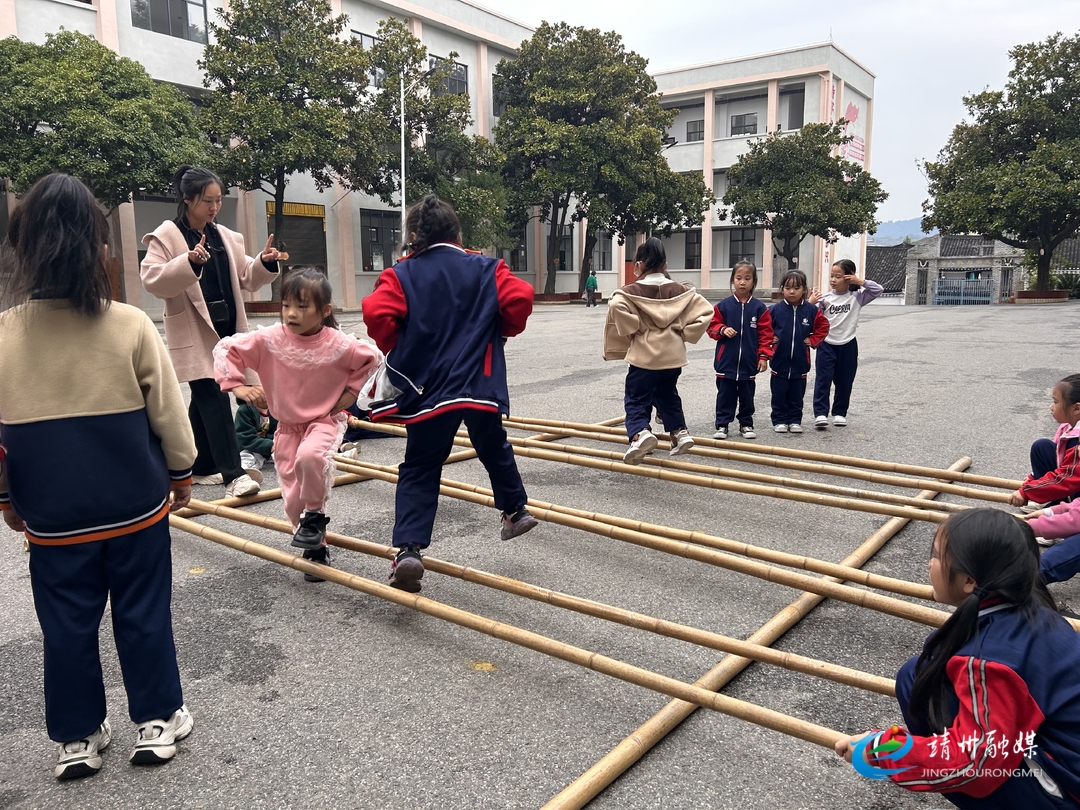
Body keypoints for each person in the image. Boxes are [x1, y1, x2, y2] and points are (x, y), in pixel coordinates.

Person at [0, 174, 197, 779]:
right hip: (135, 506)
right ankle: (157, 721)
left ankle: (77, 738)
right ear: (98, 247)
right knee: (142, 610)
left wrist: (6, 498)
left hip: (52, 517)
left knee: (64, 624)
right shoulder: (129, 324)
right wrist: (182, 472)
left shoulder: (3, 335)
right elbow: (168, 414)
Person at [835, 509, 1080, 808]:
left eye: (936, 555)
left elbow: (976, 766)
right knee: (918, 675)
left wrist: (881, 751)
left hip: (1068, 787)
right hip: (1061, 750)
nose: (930, 563)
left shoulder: (990, 661)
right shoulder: (1035, 609)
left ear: (968, 581)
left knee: (968, 764)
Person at [362, 194, 537, 594]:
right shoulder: (487, 267)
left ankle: (408, 549)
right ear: (458, 235)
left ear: (412, 236)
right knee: (493, 444)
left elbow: (376, 315)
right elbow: (520, 299)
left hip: (429, 388)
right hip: (479, 382)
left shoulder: (401, 274)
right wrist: (501, 329)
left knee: (421, 465)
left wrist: (398, 344)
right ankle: (514, 509)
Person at [214, 266, 381, 583]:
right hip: (287, 426)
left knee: (311, 458)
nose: (291, 313)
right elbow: (227, 349)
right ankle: (315, 544)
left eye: (302, 306)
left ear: (324, 310)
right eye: (286, 305)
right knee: (291, 499)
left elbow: (371, 357)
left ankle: (316, 516)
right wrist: (239, 387)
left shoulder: (337, 343)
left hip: (324, 420)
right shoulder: (271, 339)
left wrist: (351, 393)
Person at [141, 165, 283, 498]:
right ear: (187, 198)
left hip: (228, 330)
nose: (214, 207)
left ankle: (201, 466)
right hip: (194, 331)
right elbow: (152, 278)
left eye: (218, 200)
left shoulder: (226, 237)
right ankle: (234, 475)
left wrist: (265, 261)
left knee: (203, 402)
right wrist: (188, 263)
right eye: (207, 200)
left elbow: (248, 276)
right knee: (213, 395)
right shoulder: (167, 236)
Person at [604, 237, 712, 464]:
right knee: (667, 395)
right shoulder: (681, 291)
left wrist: (633, 328)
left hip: (644, 357)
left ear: (639, 265)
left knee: (636, 398)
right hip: (672, 357)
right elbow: (706, 311)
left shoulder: (631, 291)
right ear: (665, 265)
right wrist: (685, 333)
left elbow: (615, 304)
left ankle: (639, 433)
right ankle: (679, 433)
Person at [812, 259, 882, 429]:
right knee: (823, 379)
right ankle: (820, 413)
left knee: (845, 381)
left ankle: (839, 413)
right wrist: (812, 303)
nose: (833, 280)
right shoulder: (825, 299)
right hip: (826, 344)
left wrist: (861, 282)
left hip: (848, 344)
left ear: (849, 277)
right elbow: (811, 317)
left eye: (838, 276)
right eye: (831, 276)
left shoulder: (857, 297)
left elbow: (878, 289)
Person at [707, 260, 774, 440]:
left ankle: (746, 424)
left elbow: (766, 335)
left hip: (748, 363)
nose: (742, 282)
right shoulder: (723, 306)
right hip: (725, 363)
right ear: (732, 280)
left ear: (754, 281)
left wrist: (763, 357)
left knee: (747, 396)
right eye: (738, 278)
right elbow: (711, 327)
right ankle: (722, 424)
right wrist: (722, 329)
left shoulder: (760, 308)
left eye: (747, 278)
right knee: (725, 396)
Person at [767, 270, 828, 434]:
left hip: (801, 364)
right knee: (778, 395)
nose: (792, 291)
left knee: (796, 395)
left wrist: (813, 340)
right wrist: (769, 338)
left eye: (796, 288)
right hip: (778, 363)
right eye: (788, 287)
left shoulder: (811, 310)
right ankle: (779, 420)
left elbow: (823, 327)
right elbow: (764, 328)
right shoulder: (774, 310)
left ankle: (794, 420)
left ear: (804, 290)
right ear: (782, 289)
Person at [1008, 375, 1080, 510]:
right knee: (1042, 447)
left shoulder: (1078, 445)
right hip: (1071, 478)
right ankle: (1046, 495)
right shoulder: (1069, 427)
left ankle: (1058, 503)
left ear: (1076, 408)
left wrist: (1027, 492)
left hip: (1074, 488)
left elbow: (1066, 478)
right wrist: (1035, 481)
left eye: (1056, 402)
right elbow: (1061, 460)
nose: (1051, 407)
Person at [234, 401, 276, 479]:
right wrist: (269, 445)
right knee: (246, 456)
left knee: (285, 452)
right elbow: (245, 437)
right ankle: (243, 472)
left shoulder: (276, 408)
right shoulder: (245, 410)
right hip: (248, 445)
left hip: (268, 446)